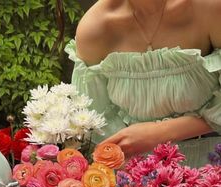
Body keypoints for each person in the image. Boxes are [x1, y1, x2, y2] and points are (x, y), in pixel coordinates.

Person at [65, 0, 221, 167]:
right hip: (138, 173)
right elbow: (96, 127)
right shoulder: (96, 28)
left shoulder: (208, 7)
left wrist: (161, 133)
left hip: (213, 158)